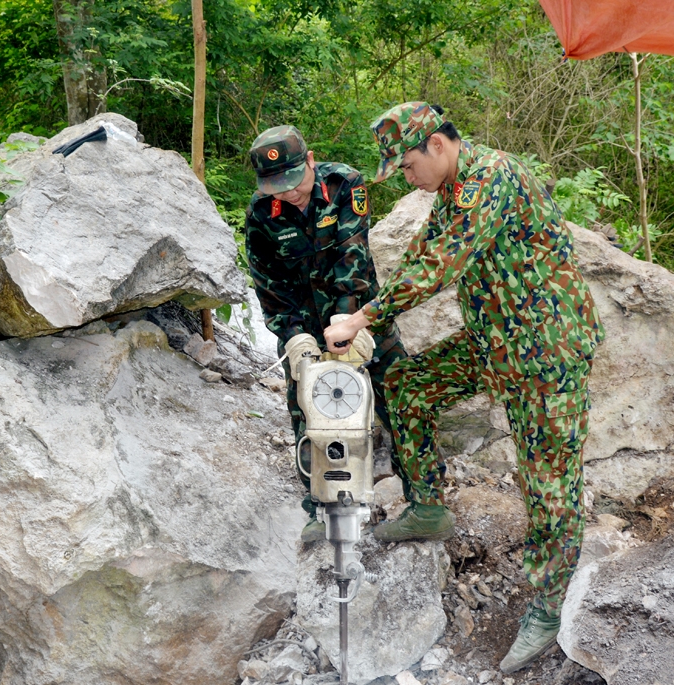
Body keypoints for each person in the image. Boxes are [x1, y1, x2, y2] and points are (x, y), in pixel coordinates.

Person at [322, 103, 604, 673]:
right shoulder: (454, 189)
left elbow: (443, 264)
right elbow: (426, 247)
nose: (405, 177)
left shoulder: (490, 177)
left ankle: (547, 610)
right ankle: (427, 506)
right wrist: (362, 310)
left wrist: (362, 320)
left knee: (548, 483)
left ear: (438, 147)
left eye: (405, 166)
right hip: (494, 343)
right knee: (408, 386)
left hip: (547, 353)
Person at [244, 125, 407, 542]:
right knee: (309, 414)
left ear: (311, 161)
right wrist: (294, 336)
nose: (289, 194)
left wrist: (351, 322)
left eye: (294, 182)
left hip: (360, 317)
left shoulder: (345, 185)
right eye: (277, 188)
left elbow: (353, 256)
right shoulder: (261, 214)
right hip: (306, 327)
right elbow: (270, 286)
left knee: (402, 399)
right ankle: (319, 508)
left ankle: (423, 499)